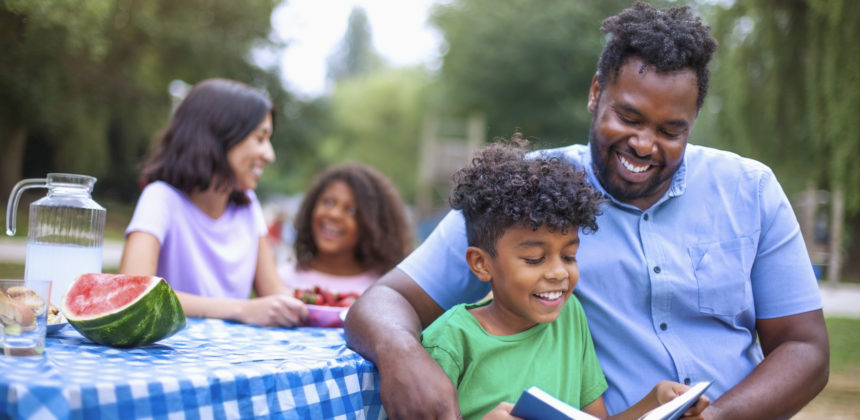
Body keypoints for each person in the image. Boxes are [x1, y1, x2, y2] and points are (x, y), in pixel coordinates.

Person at [344, 2, 829, 419]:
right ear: (596, 93)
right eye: (629, 117)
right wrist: (401, 353)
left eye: (670, 130)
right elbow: (385, 302)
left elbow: (805, 348)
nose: (643, 144)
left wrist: (720, 415)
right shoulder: (528, 194)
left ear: (693, 121)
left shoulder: (751, 189)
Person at [420, 138, 709, 420]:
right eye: (535, 259)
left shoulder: (569, 317)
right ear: (482, 264)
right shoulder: (451, 341)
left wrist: (654, 402)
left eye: (569, 256)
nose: (559, 272)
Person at [119, 78, 307, 327]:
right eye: (260, 139)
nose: (269, 155)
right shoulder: (161, 198)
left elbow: (274, 293)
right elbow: (132, 291)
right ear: (220, 136)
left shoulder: (248, 206)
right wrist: (241, 309)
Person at [281, 162, 413, 295]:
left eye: (351, 210)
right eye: (328, 202)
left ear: (373, 224)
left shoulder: (384, 289)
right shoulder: (280, 281)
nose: (334, 214)